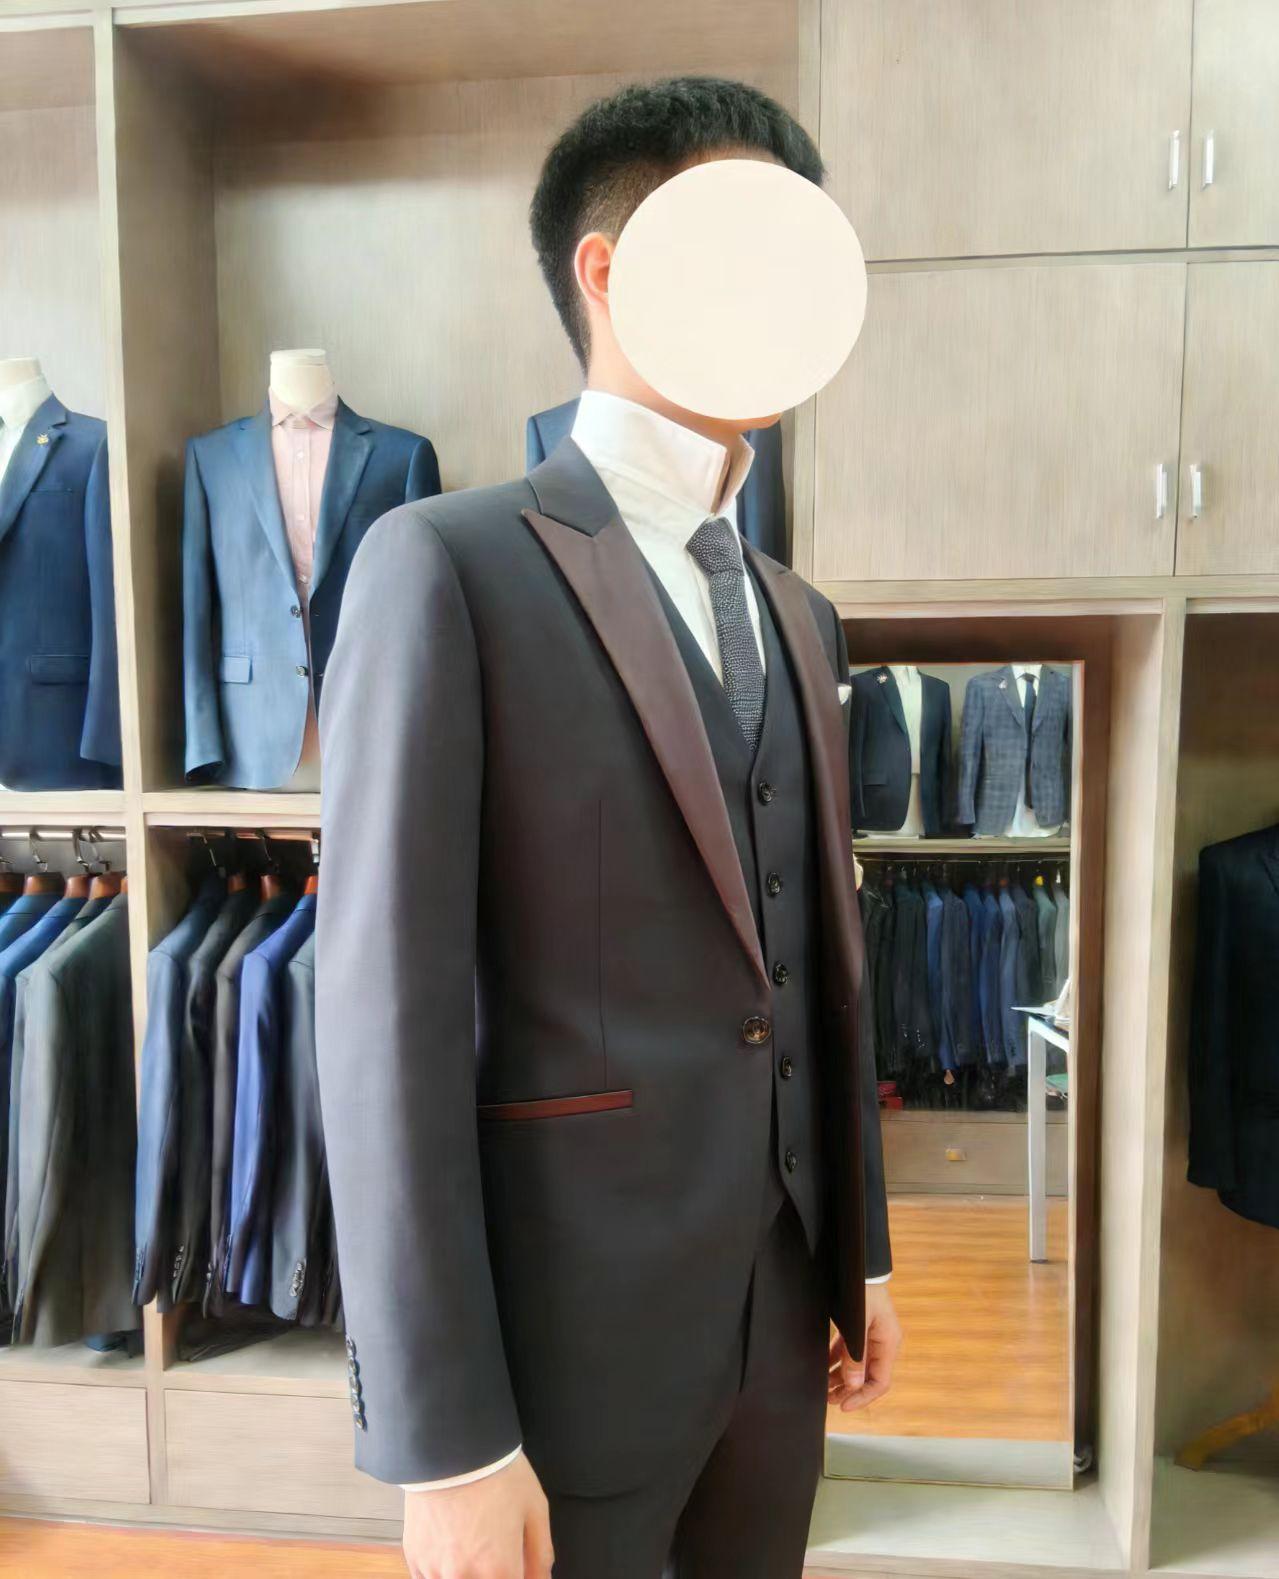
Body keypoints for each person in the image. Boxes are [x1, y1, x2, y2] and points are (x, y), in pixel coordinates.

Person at [316, 75, 902, 1579]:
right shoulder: (443, 567)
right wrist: (445, 1438)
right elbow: (380, 1024)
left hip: (782, 1326)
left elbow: (819, 968)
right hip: (558, 1356)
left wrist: (863, 1254)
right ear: (608, 267)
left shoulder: (800, 614)